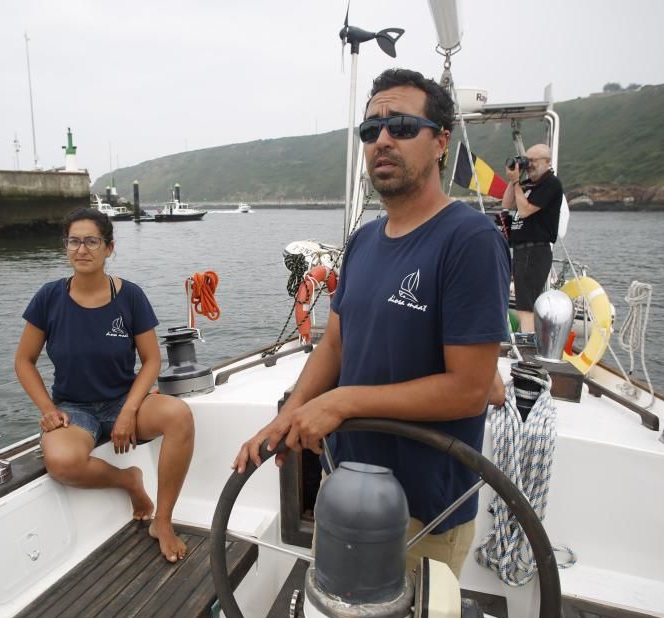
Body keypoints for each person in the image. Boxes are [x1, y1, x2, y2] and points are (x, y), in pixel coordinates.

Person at [233, 68, 510, 585]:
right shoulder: (362, 240)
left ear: (441, 141)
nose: (382, 139)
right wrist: (288, 416)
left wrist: (341, 402)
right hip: (344, 490)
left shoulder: (469, 240)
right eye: (371, 130)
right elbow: (335, 344)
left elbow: (471, 390)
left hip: (425, 511)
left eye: (402, 126)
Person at [14, 207, 194, 563]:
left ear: (109, 248)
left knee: (179, 416)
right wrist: (49, 411)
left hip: (123, 401)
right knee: (62, 462)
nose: (82, 250)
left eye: (92, 241)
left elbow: (152, 360)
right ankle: (129, 481)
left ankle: (163, 520)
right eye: (74, 241)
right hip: (74, 409)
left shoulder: (130, 297)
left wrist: (129, 411)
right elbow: (24, 361)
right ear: (65, 247)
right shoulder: (49, 298)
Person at [502, 144, 564, 333]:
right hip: (522, 249)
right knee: (523, 301)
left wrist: (516, 184)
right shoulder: (528, 184)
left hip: (535, 250)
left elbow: (525, 210)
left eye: (533, 161)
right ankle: (526, 340)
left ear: (547, 162)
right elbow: (506, 203)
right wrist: (515, 180)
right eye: (526, 160)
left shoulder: (551, 184)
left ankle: (526, 348)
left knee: (525, 305)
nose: (529, 165)